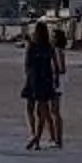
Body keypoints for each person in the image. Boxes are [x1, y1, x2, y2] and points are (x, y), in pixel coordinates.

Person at [22, 20, 64, 150]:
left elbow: (27, 65)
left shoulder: (32, 46)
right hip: (46, 79)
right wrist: (56, 80)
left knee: (30, 109)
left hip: (34, 79)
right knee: (43, 110)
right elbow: (56, 66)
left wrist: (29, 76)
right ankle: (37, 138)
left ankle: (33, 134)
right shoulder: (49, 47)